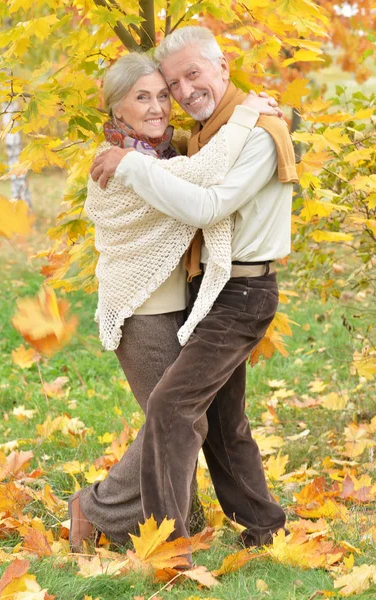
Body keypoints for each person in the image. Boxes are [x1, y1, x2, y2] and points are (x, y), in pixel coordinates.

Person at [89, 26, 298, 564]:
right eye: (171, 82)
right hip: (209, 290)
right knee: (224, 424)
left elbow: (208, 205)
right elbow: (186, 178)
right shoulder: (209, 134)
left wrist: (257, 112)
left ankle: (167, 545)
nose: (181, 92)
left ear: (222, 67)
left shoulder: (253, 130)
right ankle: (264, 526)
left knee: (173, 408)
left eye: (190, 75)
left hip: (242, 291)